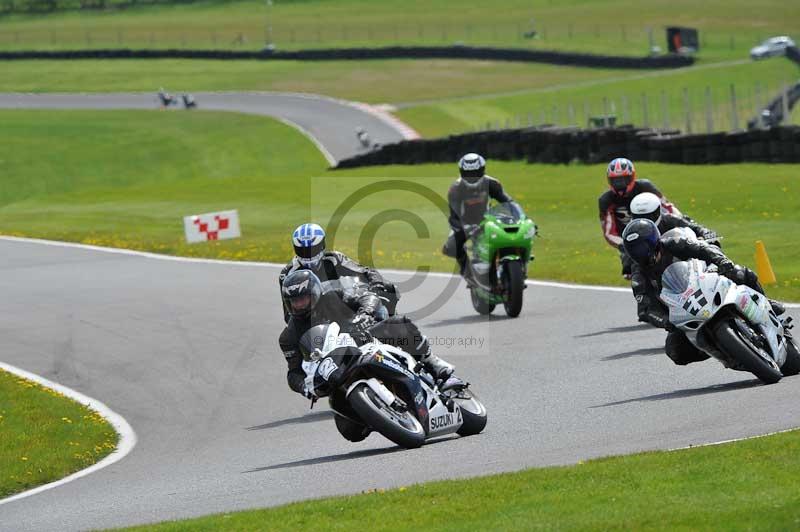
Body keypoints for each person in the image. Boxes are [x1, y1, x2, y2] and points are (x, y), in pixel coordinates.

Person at [278, 270, 454, 441]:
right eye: (294, 301)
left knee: (398, 325)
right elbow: (293, 372)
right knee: (351, 433)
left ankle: (432, 362)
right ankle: (375, 415)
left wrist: (366, 313)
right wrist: (304, 387)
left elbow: (366, 297)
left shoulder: (333, 297)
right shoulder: (289, 336)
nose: (299, 304)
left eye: (303, 299)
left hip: (363, 342)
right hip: (334, 371)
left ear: (314, 293)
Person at [622, 218, 786, 366]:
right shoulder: (639, 274)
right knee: (675, 351)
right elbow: (646, 308)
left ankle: (767, 303)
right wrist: (666, 322)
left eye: (642, 247)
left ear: (653, 241)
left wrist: (722, 262)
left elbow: (702, 248)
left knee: (741, 273)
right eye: (634, 250)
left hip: (703, 283)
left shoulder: (672, 244)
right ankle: (722, 350)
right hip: (682, 310)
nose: (640, 253)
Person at [279, 223, 396, 323]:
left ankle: (391, 333)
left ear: (322, 246)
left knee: (385, 295)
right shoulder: (288, 273)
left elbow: (366, 271)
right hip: (311, 319)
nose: (308, 255)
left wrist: (377, 286)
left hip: (341, 308)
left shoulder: (334, 259)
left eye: (312, 250)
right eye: (302, 251)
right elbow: (288, 314)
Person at [598, 157, 679, 278]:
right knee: (632, 272)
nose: (620, 185)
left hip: (657, 230)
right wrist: (623, 245)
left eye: (624, 179)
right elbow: (609, 233)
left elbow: (667, 207)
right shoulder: (606, 200)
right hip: (630, 240)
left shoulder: (645, 187)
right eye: (616, 181)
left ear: (632, 177)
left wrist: (681, 222)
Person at [443, 153, 521, 276]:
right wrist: (461, 228)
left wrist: (520, 217)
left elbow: (508, 202)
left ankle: (510, 265)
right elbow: (454, 215)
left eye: (475, 172)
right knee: (452, 246)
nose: (472, 177)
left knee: (510, 235)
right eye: (468, 174)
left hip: (488, 221)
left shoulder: (492, 183)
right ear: (461, 171)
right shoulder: (456, 188)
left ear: (482, 170)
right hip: (465, 223)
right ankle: (467, 271)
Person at [629, 192, 720, 246]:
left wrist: (708, 234)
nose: (645, 221)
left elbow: (694, 227)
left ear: (657, 212)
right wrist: (627, 265)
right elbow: (625, 248)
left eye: (648, 216)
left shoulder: (670, 219)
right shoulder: (632, 231)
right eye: (640, 217)